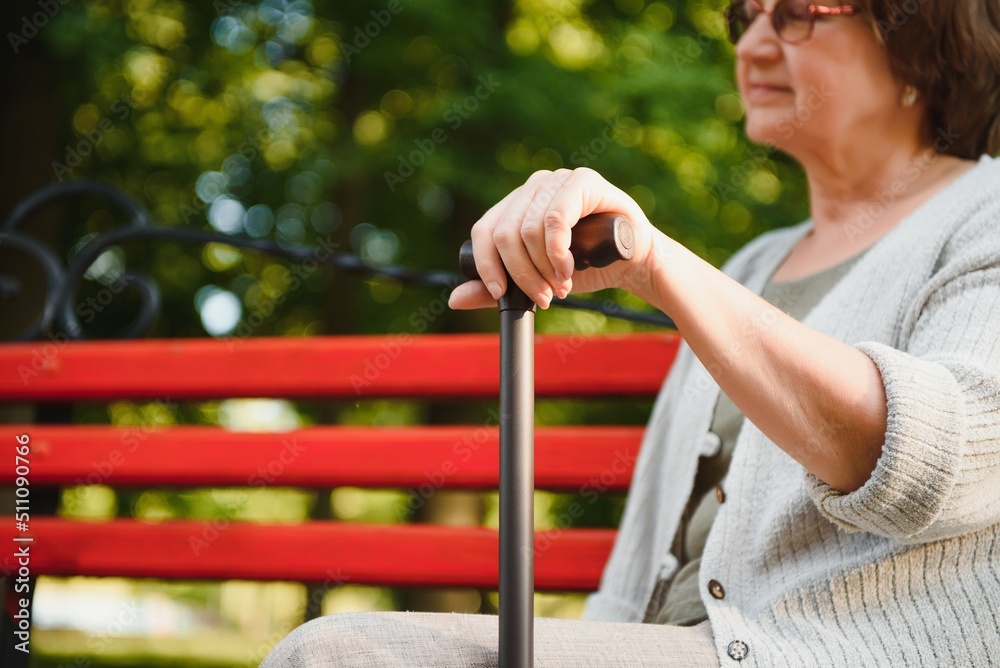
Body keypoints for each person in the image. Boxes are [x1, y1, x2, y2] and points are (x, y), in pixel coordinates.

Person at [261, 0, 1000, 665]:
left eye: (798, 13)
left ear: (921, 38)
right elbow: (644, 551)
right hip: (667, 646)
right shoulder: (752, 264)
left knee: (343, 656)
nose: (754, 44)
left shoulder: (984, 212)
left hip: (831, 651)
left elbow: (950, 463)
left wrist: (656, 264)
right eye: (746, 16)